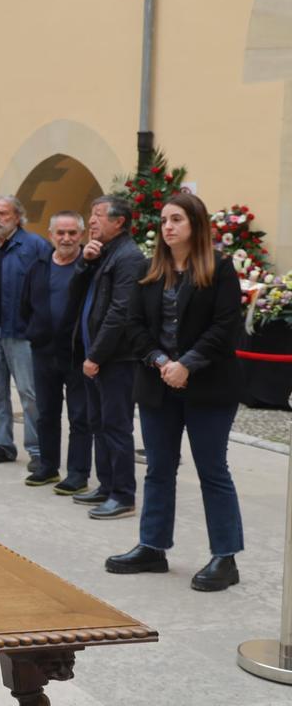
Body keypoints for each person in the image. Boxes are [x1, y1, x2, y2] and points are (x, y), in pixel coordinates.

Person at [106, 192, 245, 590]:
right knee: (159, 469)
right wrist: (162, 362)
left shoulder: (219, 268)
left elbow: (225, 326)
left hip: (209, 387)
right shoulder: (151, 271)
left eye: (176, 220)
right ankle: (152, 547)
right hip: (158, 383)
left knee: (212, 470)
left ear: (195, 225)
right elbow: (133, 325)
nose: (167, 227)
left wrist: (187, 363)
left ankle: (225, 556)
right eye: (164, 220)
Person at [71, 195, 148, 520]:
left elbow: (120, 312)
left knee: (116, 427)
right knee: (97, 424)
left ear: (119, 222)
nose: (91, 221)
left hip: (115, 359)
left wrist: (97, 355)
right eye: (91, 213)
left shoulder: (129, 257)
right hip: (95, 355)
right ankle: (105, 485)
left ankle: (123, 495)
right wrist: (84, 262)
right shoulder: (103, 253)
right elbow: (77, 293)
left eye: (99, 215)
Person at [0, 196, 52, 467]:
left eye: (3, 213)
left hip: (20, 332)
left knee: (29, 393)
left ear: (17, 217)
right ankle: (3, 445)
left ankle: (39, 451)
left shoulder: (35, 245)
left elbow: (48, 287)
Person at [19, 211, 92, 492]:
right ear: (50, 235)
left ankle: (78, 474)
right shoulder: (38, 267)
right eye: (60, 233)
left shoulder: (90, 266)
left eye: (72, 233)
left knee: (79, 417)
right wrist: (35, 332)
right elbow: (25, 305)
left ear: (81, 235)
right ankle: (48, 467)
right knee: (46, 413)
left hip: (77, 354)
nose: (66, 238)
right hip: (44, 351)